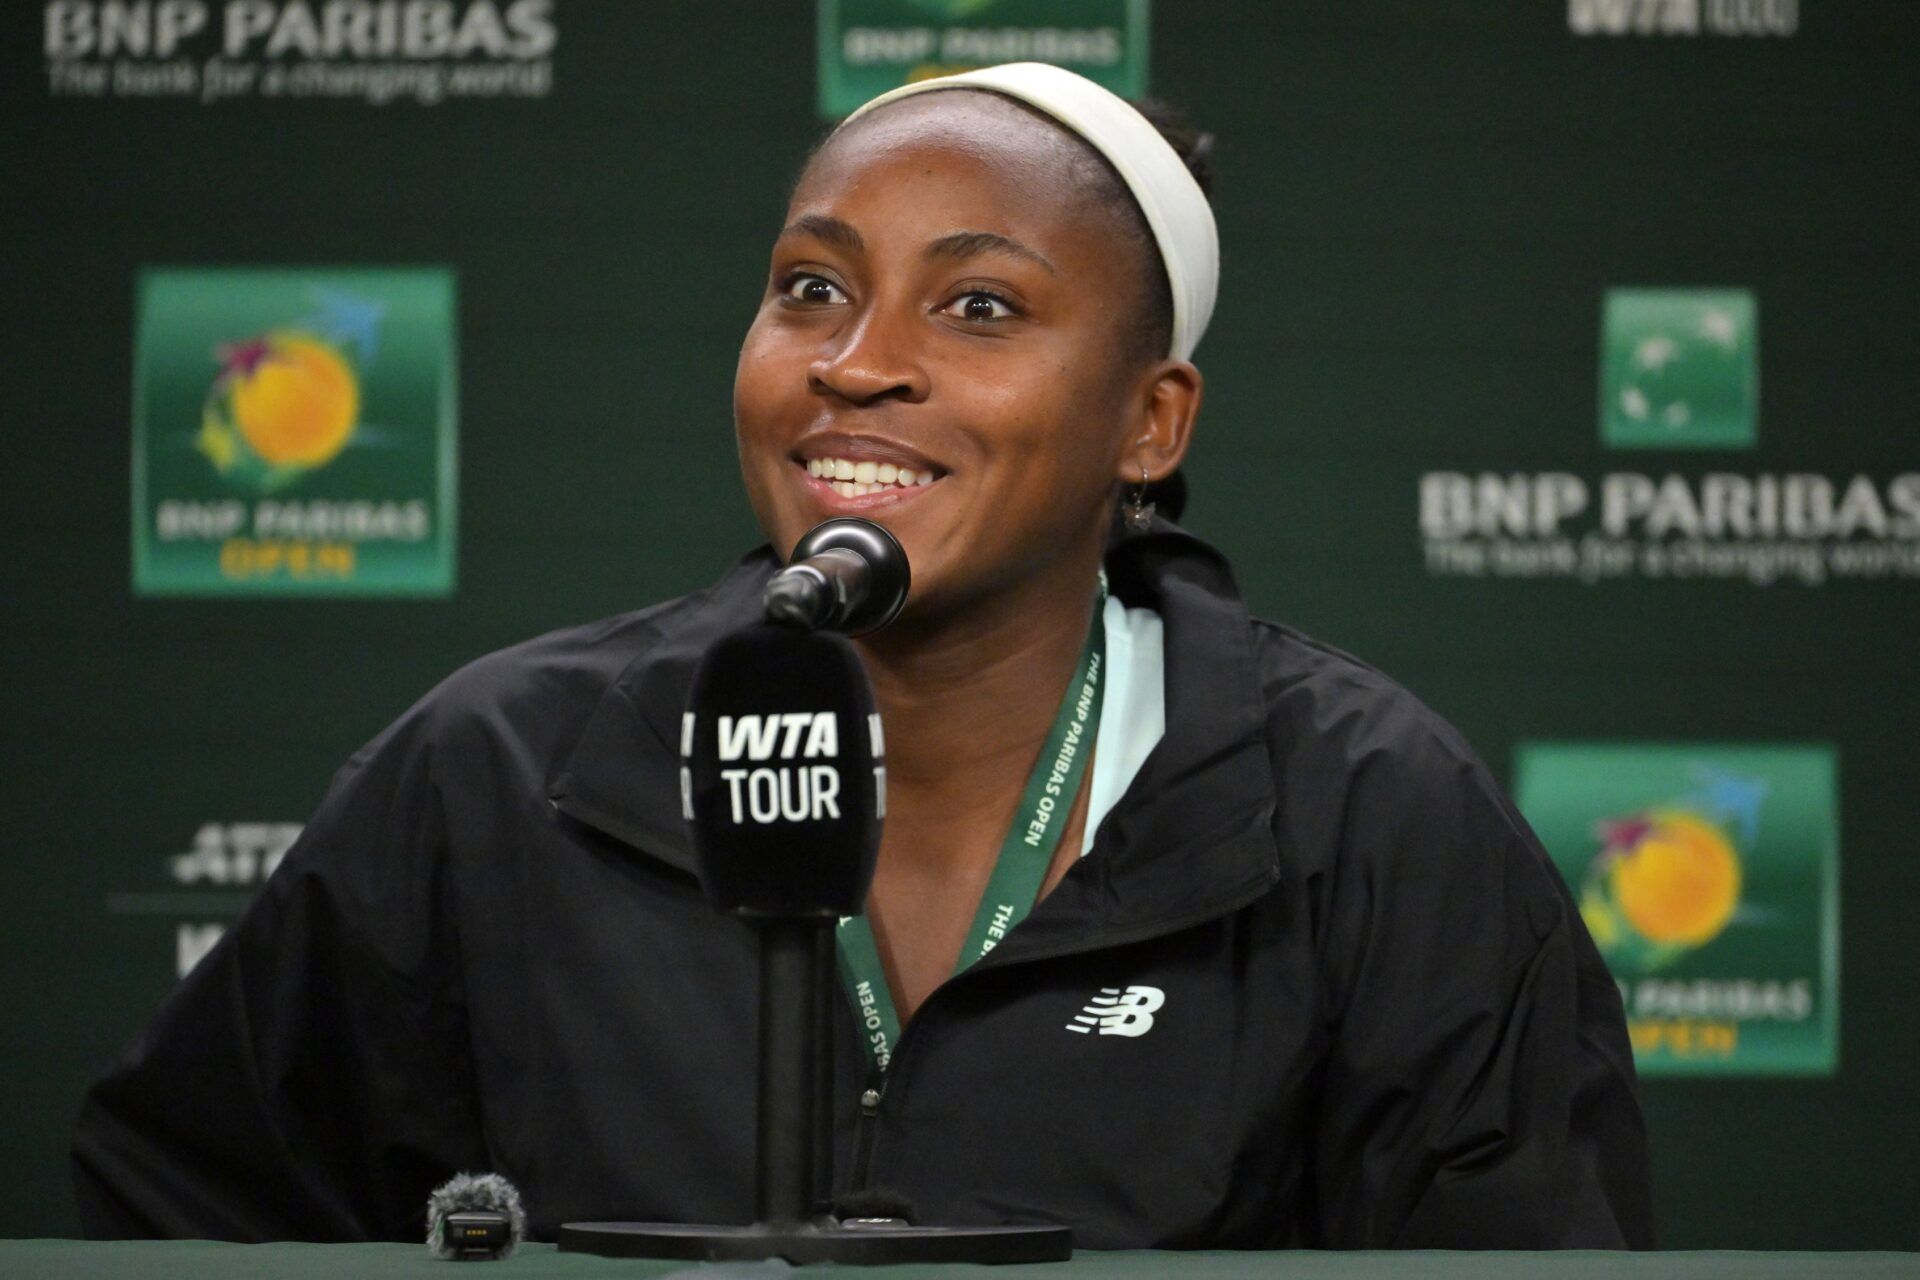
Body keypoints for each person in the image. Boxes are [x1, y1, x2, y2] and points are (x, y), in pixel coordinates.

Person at [73, 63, 1654, 1249]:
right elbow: (176, 1221)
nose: (858, 363)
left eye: (978, 305)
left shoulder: (1376, 825)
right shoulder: (502, 773)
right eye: (810, 288)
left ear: (1149, 423)